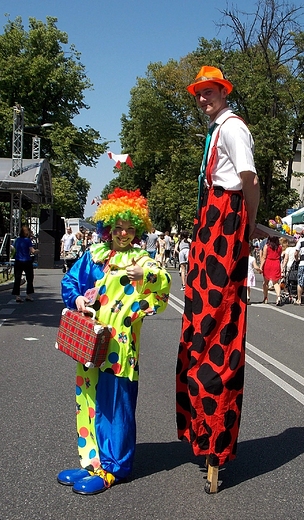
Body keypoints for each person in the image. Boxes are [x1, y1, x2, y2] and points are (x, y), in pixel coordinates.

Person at [176, 65, 260, 493]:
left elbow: (248, 181)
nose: (204, 99)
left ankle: (215, 433)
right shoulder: (215, 130)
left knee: (218, 328)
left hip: (224, 225)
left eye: (210, 92)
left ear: (223, 92)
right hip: (210, 223)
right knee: (199, 327)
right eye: (199, 94)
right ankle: (201, 430)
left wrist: (247, 225)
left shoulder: (233, 128)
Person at [57, 188, 171, 495]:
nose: (123, 233)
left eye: (130, 228)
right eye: (119, 227)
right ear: (109, 226)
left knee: (116, 406)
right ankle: (92, 461)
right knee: (89, 400)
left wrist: (143, 276)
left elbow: (162, 289)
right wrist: (78, 298)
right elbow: (69, 282)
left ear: (137, 230)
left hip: (120, 349)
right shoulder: (94, 255)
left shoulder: (141, 260)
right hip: (89, 342)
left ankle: (113, 468)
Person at [11, 225, 39, 302]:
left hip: (18, 261)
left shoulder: (17, 240)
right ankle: (28, 295)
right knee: (29, 278)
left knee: (17, 278)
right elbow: (32, 251)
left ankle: (17, 296)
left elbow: (12, 248)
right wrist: (38, 251)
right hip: (27, 260)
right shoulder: (27, 240)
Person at [260, 235, 282, 305]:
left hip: (268, 263)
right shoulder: (280, 247)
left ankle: (265, 297)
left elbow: (263, 257)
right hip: (276, 263)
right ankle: (278, 296)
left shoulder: (267, 246)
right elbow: (279, 255)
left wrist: (261, 267)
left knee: (266, 282)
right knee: (275, 282)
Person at [294, 231, 304, 305]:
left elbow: (296, 253)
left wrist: (297, 259)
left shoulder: (300, 241)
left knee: (300, 282)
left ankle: (299, 299)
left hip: (302, 263)